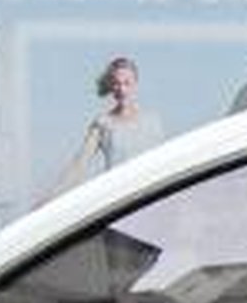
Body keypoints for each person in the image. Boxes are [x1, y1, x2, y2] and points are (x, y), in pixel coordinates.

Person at [48, 54, 168, 196]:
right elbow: (79, 165)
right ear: (111, 86)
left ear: (135, 84)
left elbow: (163, 164)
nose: (121, 89)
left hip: (148, 197)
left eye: (127, 83)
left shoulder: (153, 122)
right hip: (116, 198)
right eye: (117, 83)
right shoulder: (102, 123)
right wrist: (51, 196)